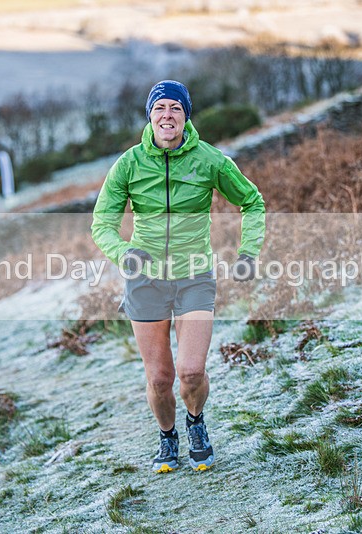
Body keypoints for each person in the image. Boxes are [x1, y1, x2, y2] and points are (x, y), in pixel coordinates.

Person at [92, 80, 265, 473]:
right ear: (150, 115)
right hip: (146, 280)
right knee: (159, 378)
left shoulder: (210, 160)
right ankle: (168, 435)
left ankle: (196, 423)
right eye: (160, 108)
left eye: (175, 108)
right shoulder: (129, 164)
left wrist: (249, 251)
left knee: (190, 372)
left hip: (193, 277)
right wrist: (123, 253)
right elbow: (101, 223)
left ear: (186, 116)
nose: (167, 115)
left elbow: (252, 202)